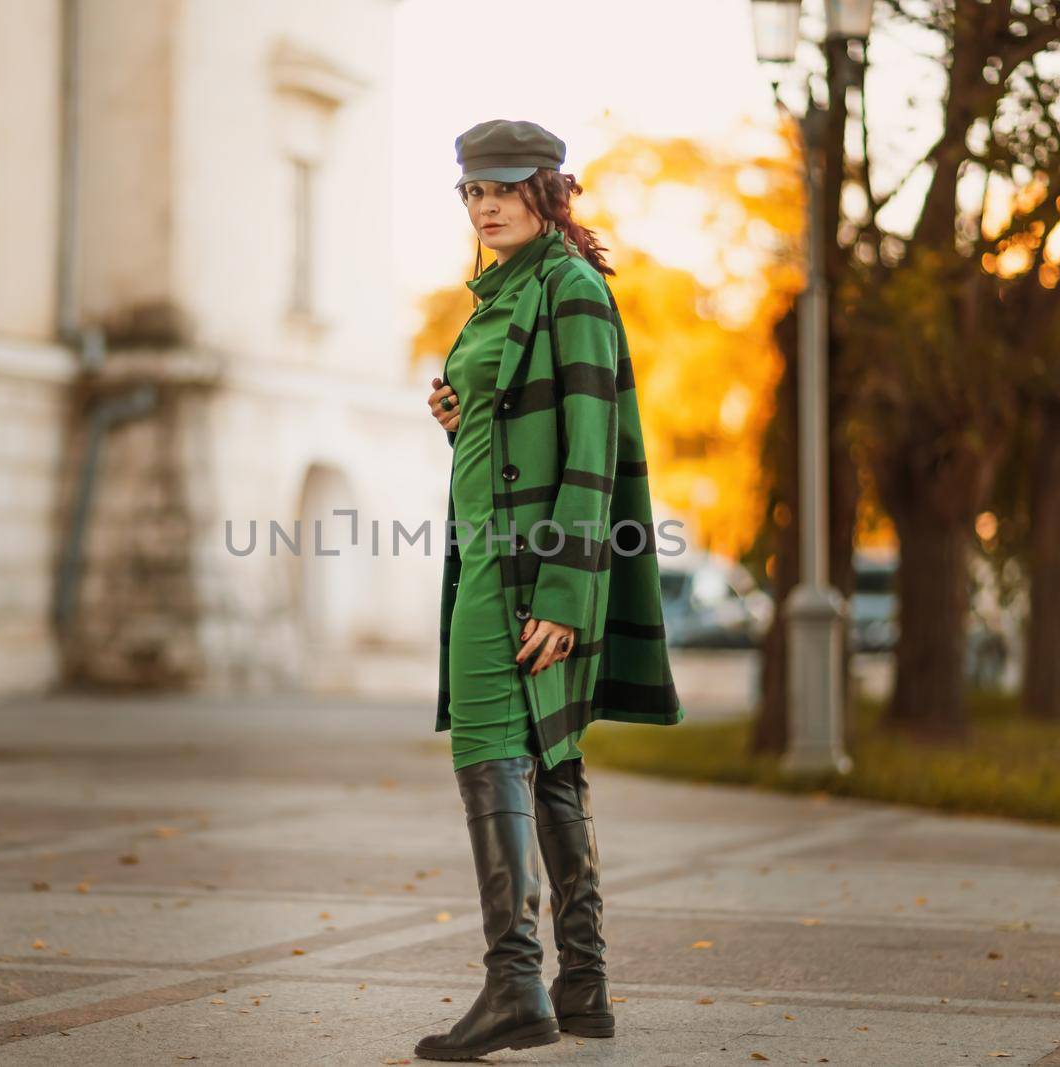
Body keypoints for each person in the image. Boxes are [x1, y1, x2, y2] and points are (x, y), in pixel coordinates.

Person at [415, 118, 684, 1061]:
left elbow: (592, 448)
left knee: (494, 749)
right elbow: (519, 438)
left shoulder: (567, 287)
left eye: (503, 187)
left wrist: (568, 593)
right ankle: (584, 982)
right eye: (473, 192)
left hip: (524, 571)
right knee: (551, 756)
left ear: (548, 189)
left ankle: (514, 985)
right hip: (493, 551)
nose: (486, 205)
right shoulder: (501, 294)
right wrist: (463, 417)